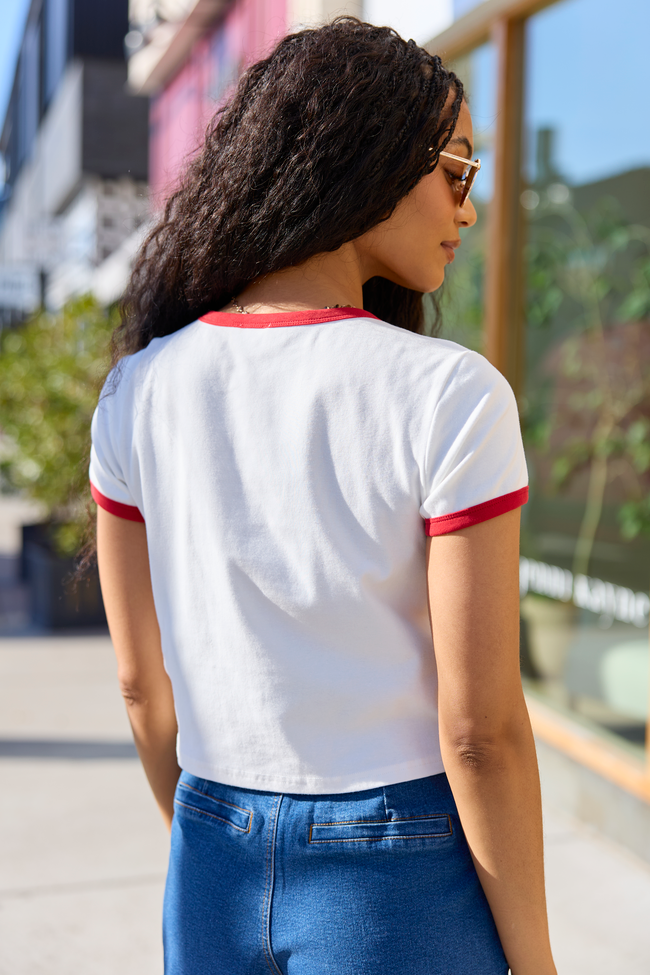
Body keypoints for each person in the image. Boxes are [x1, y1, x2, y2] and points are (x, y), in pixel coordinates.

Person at [90, 18, 557, 975]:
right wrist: (539, 960)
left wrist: (222, 832)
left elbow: (143, 687)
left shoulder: (135, 391)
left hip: (211, 848)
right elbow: (480, 733)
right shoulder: (450, 394)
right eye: (458, 170)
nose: (469, 210)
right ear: (373, 160)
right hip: (397, 870)